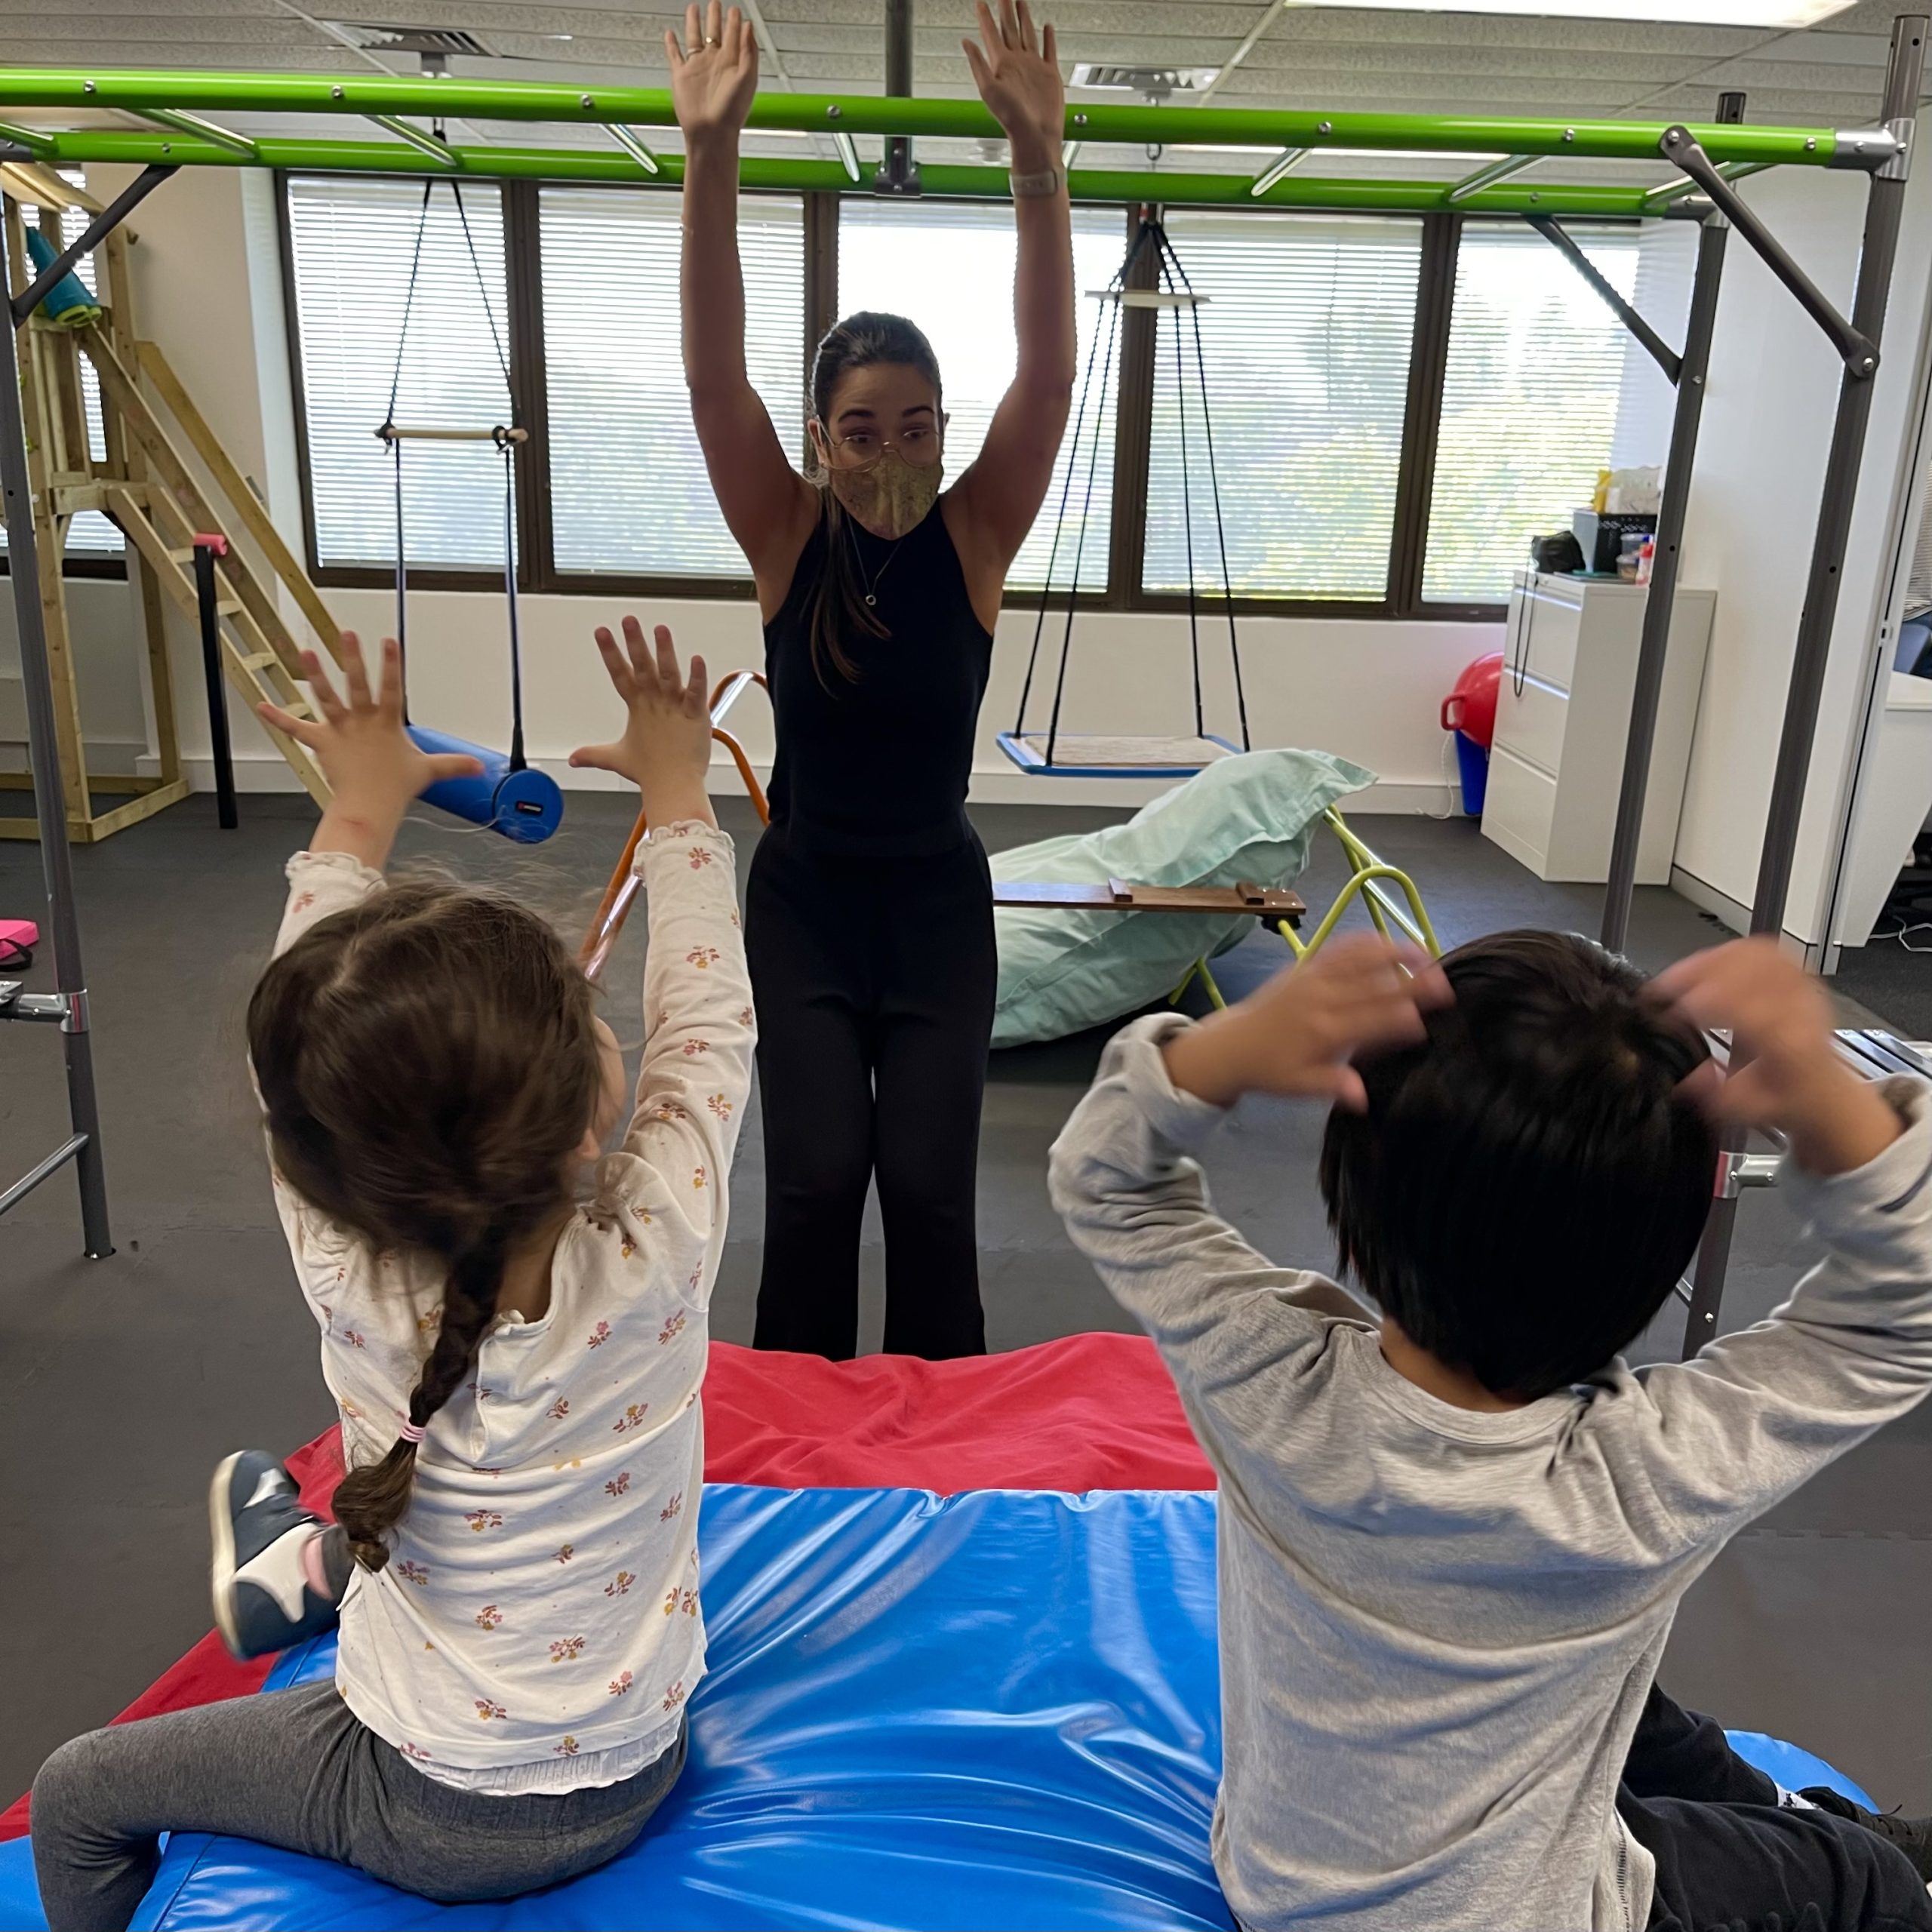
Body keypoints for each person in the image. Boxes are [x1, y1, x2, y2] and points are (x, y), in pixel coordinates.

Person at [30, 620, 754, 1931]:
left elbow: (301, 1052)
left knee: (76, 1792)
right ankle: (305, 1572)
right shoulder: (661, 1241)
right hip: (637, 1767)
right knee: (417, 1512)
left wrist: (361, 803)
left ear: (324, 1165)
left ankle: (308, 1571)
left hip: (424, 1807)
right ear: (593, 1108)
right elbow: (708, 1020)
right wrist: (677, 797)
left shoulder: (346, 1266)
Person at [1049, 927, 1932, 1932]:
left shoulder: (1264, 1377)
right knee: (1866, 1880)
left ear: (1352, 1195)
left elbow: (1106, 1180)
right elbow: (1906, 1313)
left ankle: (1777, 1806)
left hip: (1282, 1890)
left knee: (1635, 1710)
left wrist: (1220, 1052)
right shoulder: (1646, 1481)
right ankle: (1830, 1834)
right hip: (1539, 1915)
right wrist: (1829, 1095)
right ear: (1655, 1253)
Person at [670, 0, 1075, 1360]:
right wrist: (710, 159)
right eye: (861, 429)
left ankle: (941, 1457)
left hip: (938, 904)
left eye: (916, 426)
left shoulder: (976, 532)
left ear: (943, 433)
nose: (890, 449)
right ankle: (801, 1454)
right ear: (823, 439)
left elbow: (1053, 373)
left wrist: (1039, 165)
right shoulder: (786, 534)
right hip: (806, 902)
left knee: (930, 1198)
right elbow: (712, 369)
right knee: (812, 1189)